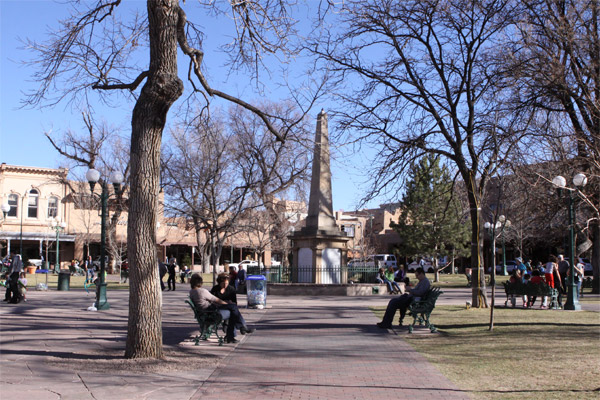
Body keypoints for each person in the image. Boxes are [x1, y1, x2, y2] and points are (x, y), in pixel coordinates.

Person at [189, 273, 254, 344]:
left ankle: (238, 330)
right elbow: (215, 299)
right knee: (233, 309)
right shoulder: (202, 291)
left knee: (233, 310)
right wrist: (228, 304)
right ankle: (238, 330)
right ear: (200, 282)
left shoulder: (192, 292)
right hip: (211, 312)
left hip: (206, 312)